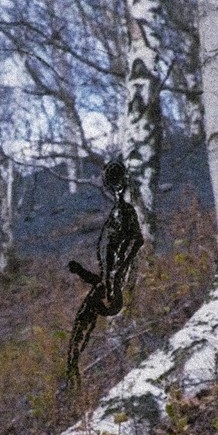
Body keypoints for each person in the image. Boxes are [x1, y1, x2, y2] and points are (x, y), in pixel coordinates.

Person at [65, 159, 144, 386]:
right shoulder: (118, 213)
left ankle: (76, 373)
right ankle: (73, 374)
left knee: (85, 320)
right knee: (83, 320)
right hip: (109, 282)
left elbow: (135, 241)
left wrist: (115, 279)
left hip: (115, 283)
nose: (114, 187)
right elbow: (110, 260)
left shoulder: (125, 213)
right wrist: (83, 272)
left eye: (115, 182)